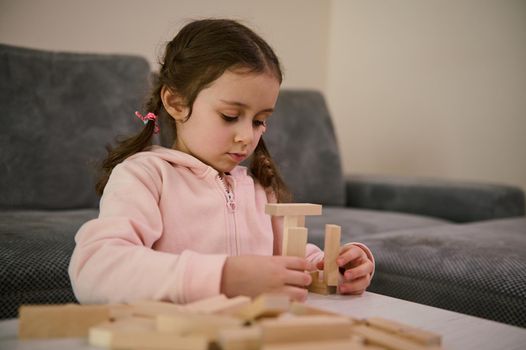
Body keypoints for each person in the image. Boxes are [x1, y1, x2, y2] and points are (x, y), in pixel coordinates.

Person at [69, 18, 374, 305]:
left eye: (259, 121)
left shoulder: (257, 187)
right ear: (176, 102)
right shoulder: (145, 176)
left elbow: (287, 256)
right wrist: (224, 277)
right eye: (230, 116)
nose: (246, 137)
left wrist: (329, 266)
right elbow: (96, 268)